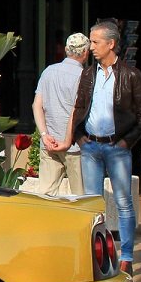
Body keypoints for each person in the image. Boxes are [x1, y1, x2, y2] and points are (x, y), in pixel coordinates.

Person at [68, 19, 141, 275]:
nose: (90, 47)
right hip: (91, 146)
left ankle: (126, 256)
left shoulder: (130, 76)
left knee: (124, 202)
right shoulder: (88, 74)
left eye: (95, 42)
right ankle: (96, 254)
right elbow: (79, 107)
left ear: (111, 44)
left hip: (117, 147)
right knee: (92, 204)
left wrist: (127, 141)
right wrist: (79, 136)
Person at [31, 32, 89, 197]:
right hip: (74, 146)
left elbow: (37, 105)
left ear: (65, 50)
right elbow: (76, 111)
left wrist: (44, 135)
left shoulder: (48, 71)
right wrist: (67, 141)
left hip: (49, 143)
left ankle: (43, 223)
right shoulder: (83, 76)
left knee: (45, 196)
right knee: (81, 197)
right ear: (85, 53)